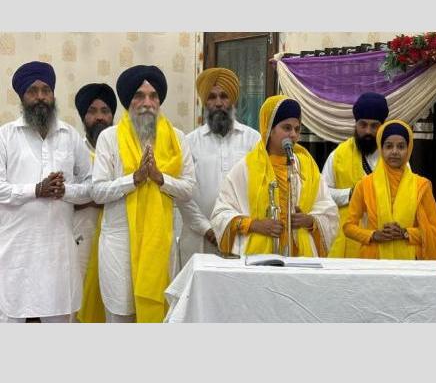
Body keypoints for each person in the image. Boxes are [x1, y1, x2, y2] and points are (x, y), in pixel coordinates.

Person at [91, 65, 196, 323]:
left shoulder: (177, 139)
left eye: (153, 96)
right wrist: (134, 179)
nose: (147, 103)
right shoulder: (109, 138)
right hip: (119, 245)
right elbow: (98, 191)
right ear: (129, 101)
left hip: (159, 244)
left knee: (159, 317)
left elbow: (188, 189)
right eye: (139, 96)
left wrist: (161, 178)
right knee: (120, 315)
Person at [0, 61, 92, 323]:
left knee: (59, 321)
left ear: (53, 94)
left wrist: (65, 191)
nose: (40, 96)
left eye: (46, 90)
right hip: (16, 253)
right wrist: (36, 190)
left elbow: (91, 186)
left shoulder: (69, 136)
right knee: (10, 319)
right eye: (33, 91)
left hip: (57, 255)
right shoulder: (5, 136)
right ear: (22, 97)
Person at [210, 94, 338, 257]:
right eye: (287, 128)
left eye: (297, 129)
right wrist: (254, 225)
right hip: (258, 257)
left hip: (300, 256)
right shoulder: (246, 168)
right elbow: (220, 214)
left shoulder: (307, 167)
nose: (293, 134)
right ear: (269, 129)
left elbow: (329, 211)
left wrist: (310, 221)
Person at [176, 68, 260, 268]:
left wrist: (236, 227)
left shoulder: (253, 140)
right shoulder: (189, 142)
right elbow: (182, 194)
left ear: (233, 100)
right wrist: (207, 229)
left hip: (242, 237)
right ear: (204, 102)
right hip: (199, 239)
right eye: (212, 97)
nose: (219, 103)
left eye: (224, 96)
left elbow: (260, 187)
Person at [343, 120, 436, 259]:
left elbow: (435, 230)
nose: (394, 152)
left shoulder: (421, 185)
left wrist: (405, 233)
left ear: (408, 149)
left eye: (401, 146)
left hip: (409, 262)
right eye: (389, 146)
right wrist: (373, 235)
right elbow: (348, 226)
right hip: (374, 260)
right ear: (381, 148)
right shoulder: (365, 185)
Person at [321, 92, 388, 258]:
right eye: (363, 125)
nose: (368, 131)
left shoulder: (394, 157)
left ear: (383, 126)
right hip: (346, 239)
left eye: (374, 126)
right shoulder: (338, 155)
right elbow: (322, 194)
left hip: (383, 238)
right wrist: (351, 194)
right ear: (355, 124)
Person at [73, 83, 117, 322]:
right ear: (83, 117)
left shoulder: (122, 150)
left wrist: (94, 196)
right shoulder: (73, 151)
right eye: (92, 111)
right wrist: (99, 196)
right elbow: (63, 195)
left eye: (105, 111)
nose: (99, 117)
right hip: (81, 238)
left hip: (115, 240)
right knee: (76, 305)